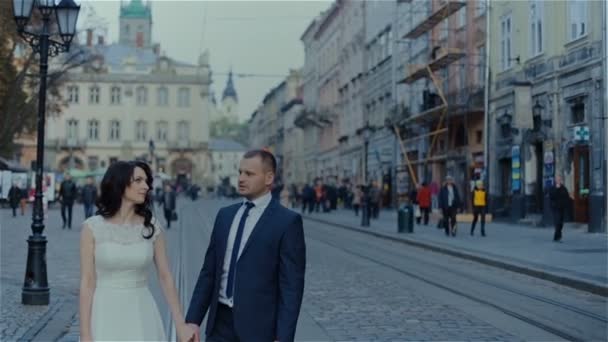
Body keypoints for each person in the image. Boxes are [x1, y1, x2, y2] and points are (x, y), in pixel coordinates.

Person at [185, 150, 306, 342]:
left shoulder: (287, 222)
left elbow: (291, 288)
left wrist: (283, 337)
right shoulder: (225, 216)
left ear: (269, 178)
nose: (241, 178)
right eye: (240, 172)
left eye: (249, 174)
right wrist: (192, 321)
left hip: (259, 329)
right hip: (219, 326)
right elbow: (208, 273)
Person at [78, 161, 195, 342]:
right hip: (103, 313)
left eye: (147, 181)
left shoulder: (152, 227)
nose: (146, 186)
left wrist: (180, 324)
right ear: (120, 183)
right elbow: (87, 282)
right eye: (139, 180)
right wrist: (85, 334)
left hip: (142, 313)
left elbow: (165, 277)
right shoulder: (92, 227)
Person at [550, 175, 570, 242]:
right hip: (555, 207)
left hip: (562, 207)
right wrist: (557, 189)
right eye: (557, 179)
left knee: (560, 223)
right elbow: (552, 196)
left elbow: (566, 197)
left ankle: (558, 235)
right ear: (555, 180)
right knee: (557, 222)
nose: (558, 181)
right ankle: (556, 236)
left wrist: (566, 205)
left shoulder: (564, 188)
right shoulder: (553, 188)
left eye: (559, 179)